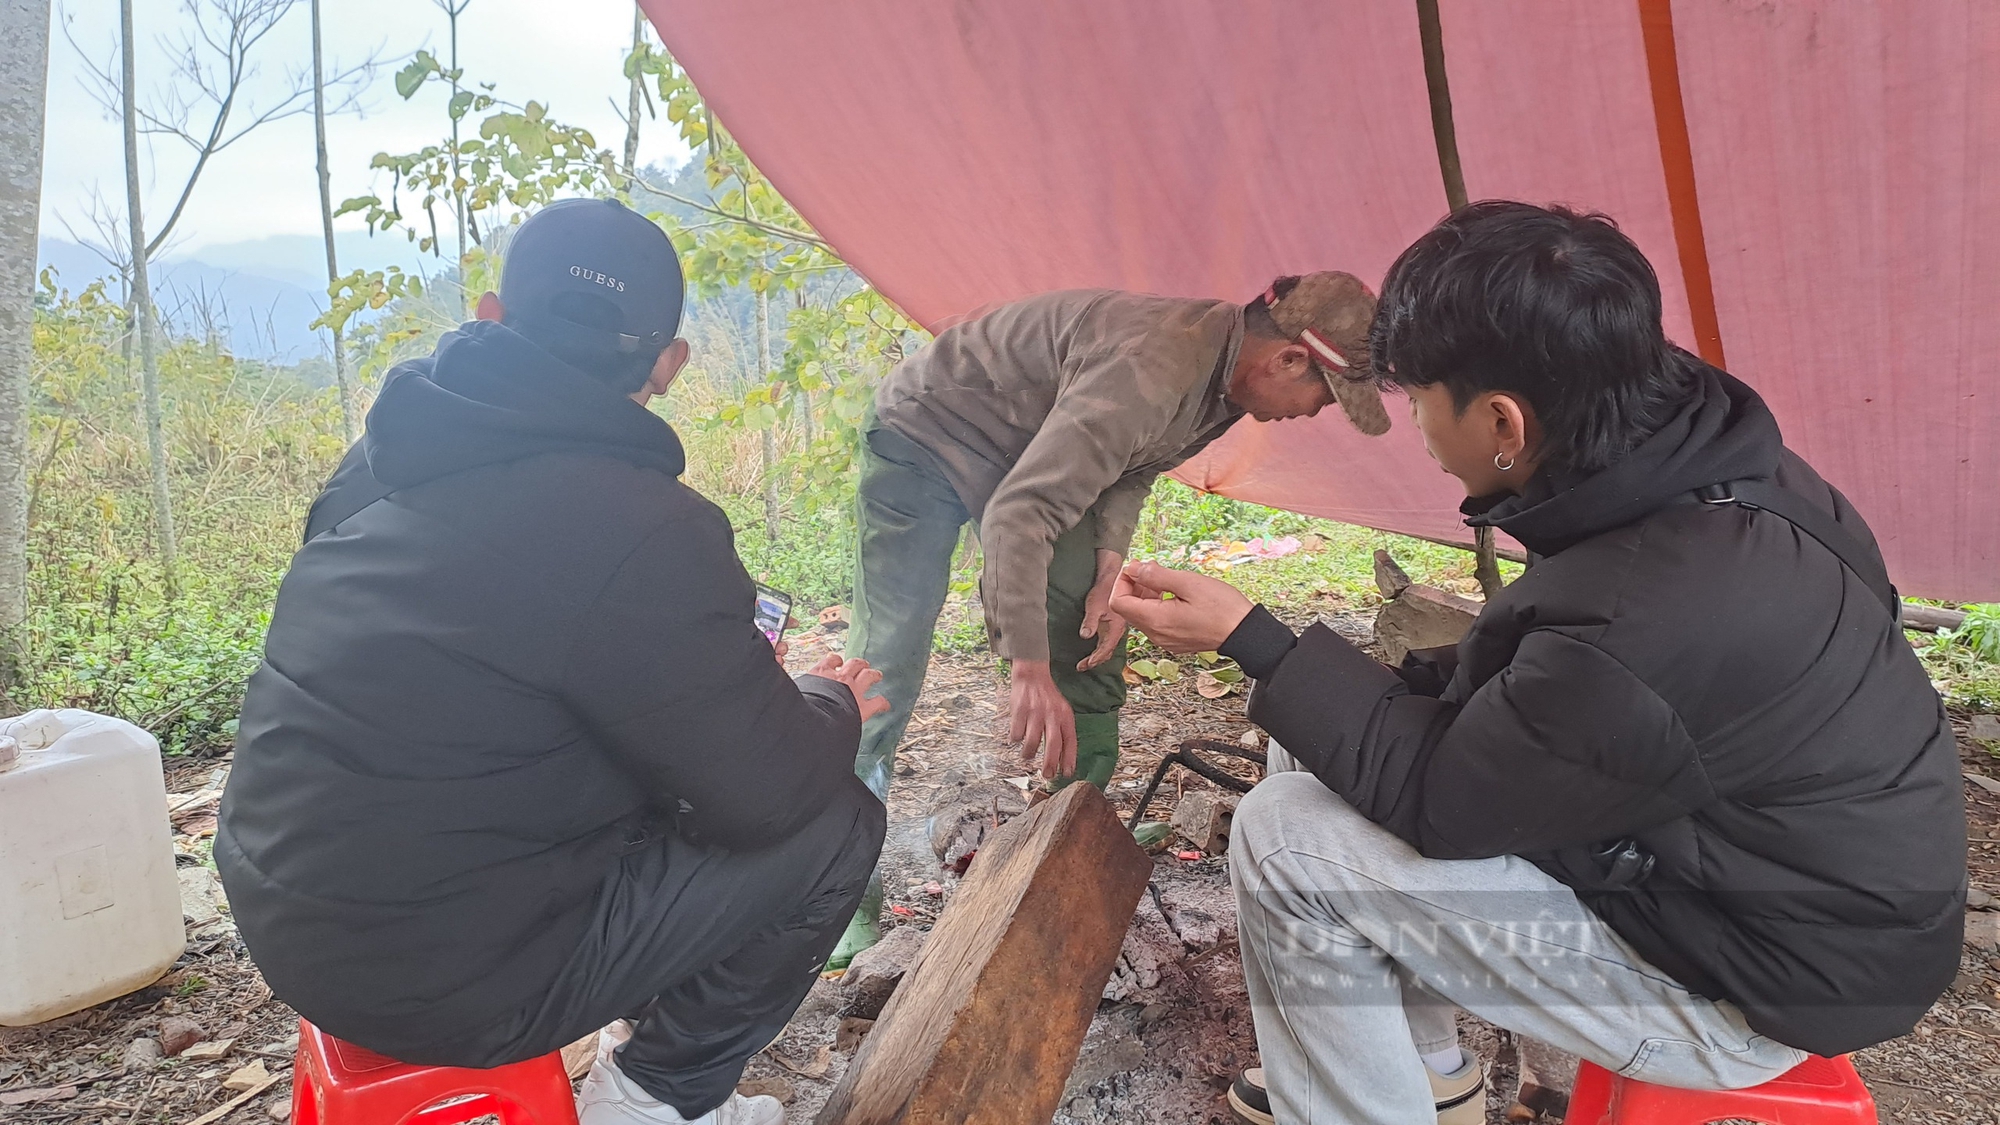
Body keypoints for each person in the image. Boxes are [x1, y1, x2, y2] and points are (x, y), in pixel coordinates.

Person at [1111, 202, 1965, 1125]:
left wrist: (1253, 638)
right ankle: (1429, 1071)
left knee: (1289, 840)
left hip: (1758, 985)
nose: (1426, 440)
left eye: (1424, 409)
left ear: (1504, 420)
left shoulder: (1661, 605)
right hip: (1741, 871)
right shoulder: (1693, 462)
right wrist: (1302, 671)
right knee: (1316, 738)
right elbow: (1554, 695)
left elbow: (1450, 799)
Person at [216, 199, 889, 1125]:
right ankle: (657, 1101)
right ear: (668, 362)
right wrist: (827, 701)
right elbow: (768, 795)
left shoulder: (379, 459)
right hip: (443, 984)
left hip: (287, 919)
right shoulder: (646, 527)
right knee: (835, 825)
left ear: (490, 316)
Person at [836, 273, 1391, 963]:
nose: (1311, 414)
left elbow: (1134, 465)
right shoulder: (1154, 369)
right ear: (1288, 360)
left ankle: (1070, 835)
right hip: (925, 435)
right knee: (887, 660)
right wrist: (1027, 667)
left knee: (1086, 618)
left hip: (1030, 449)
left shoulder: (1226, 374)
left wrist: (1107, 561)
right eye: (1322, 397)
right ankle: (837, 888)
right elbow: (1019, 513)